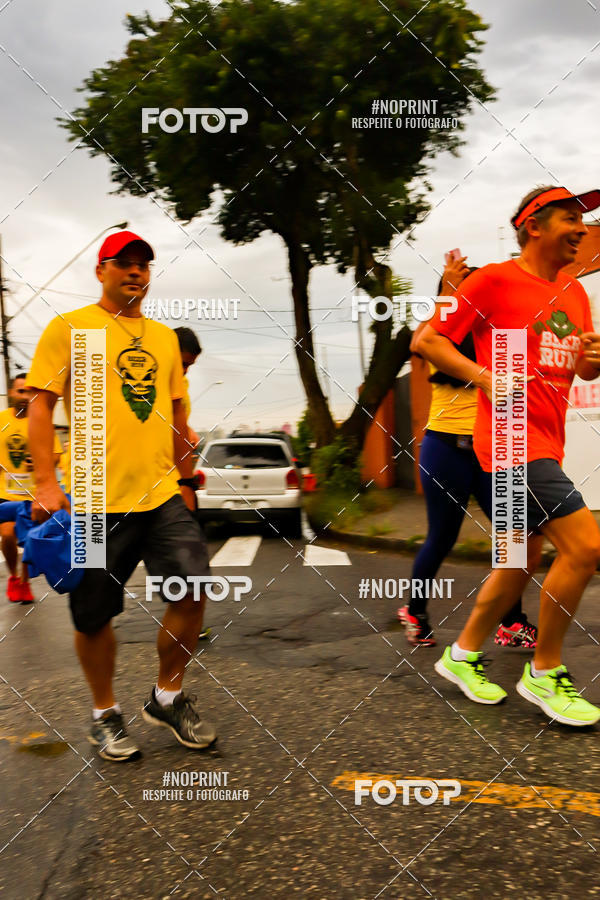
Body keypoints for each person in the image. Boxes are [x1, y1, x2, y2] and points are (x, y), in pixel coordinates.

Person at [27, 229, 217, 760]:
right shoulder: (71, 329)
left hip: (160, 496)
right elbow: (39, 405)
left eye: (143, 264)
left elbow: (179, 415)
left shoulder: (161, 338)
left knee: (192, 589)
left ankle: (167, 695)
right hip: (90, 500)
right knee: (93, 615)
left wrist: (185, 475)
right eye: (124, 263)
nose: (136, 271)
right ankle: (105, 713)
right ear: (101, 271)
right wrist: (46, 482)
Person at [417, 185, 600, 726]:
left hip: (548, 442)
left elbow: (582, 371)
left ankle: (462, 655)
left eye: (584, 220)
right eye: (571, 218)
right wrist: (484, 377)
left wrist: (593, 361)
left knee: (520, 561)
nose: (582, 229)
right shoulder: (495, 280)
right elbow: (428, 342)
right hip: (509, 443)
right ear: (534, 226)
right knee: (586, 547)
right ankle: (544, 673)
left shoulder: (574, 292)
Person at [400, 259, 537, 648]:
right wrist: (447, 291)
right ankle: (415, 611)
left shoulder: (497, 333)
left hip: (495, 450)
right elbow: (416, 343)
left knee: (513, 538)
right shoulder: (439, 335)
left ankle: (511, 622)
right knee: (442, 537)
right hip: (446, 448)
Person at [0, 373, 61, 603]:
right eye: (19, 391)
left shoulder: (40, 420)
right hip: (4, 494)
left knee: (27, 540)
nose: (24, 396)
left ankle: (24, 582)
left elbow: (56, 454)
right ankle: (13, 577)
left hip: (32, 495)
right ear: (11, 393)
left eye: (28, 391)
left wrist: (41, 462)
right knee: (7, 534)